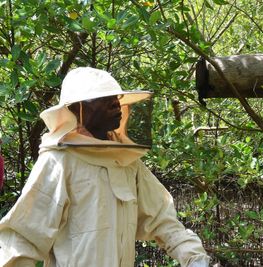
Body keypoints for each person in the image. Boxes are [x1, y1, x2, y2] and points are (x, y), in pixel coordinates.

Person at [0, 67, 210, 267]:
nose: (115, 104)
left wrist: (193, 257)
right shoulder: (59, 161)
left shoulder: (127, 161)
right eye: (103, 98)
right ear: (76, 108)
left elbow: (162, 219)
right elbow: (23, 238)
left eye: (116, 98)